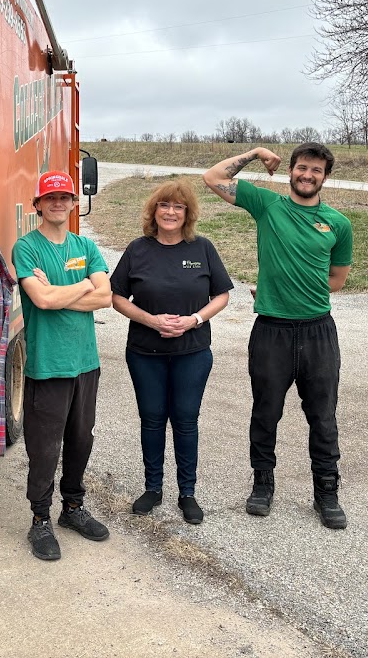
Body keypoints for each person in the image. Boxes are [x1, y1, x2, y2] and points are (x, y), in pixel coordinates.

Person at [203, 143, 353, 529]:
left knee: (323, 417)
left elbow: (336, 280)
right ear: (290, 170)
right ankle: (262, 485)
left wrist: (296, 286)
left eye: (316, 171)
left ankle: (326, 494)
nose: (308, 175)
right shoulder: (268, 205)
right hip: (271, 330)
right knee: (266, 412)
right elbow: (213, 178)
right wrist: (254, 153)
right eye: (302, 168)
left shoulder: (338, 223)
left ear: (326, 177)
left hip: (318, 331)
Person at [110, 179, 232, 525]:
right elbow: (116, 297)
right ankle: (153, 488)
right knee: (151, 419)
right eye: (165, 205)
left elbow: (222, 295)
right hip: (144, 352)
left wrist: (194, 320)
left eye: (178, 207)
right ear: (154, 211)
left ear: (187, 213)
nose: (171, 212)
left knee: (185, 420)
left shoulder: (202, 249)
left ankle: (187, 492)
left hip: (192, 351)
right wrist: (150, 320)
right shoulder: (138, 250)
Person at [11, 170, 112, 561]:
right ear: (38, 204)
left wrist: (63, 291)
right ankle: (40, 519)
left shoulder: (86, 245)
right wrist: (83, 285)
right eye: (50, 197)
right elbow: (43, 302)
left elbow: (105, 297)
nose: (58, 203)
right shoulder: (27, 248)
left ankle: (72, 508)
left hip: (85, 362)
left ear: (73, 203)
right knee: (44, 448)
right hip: (47, 364)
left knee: (81, 440)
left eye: (65, 197)